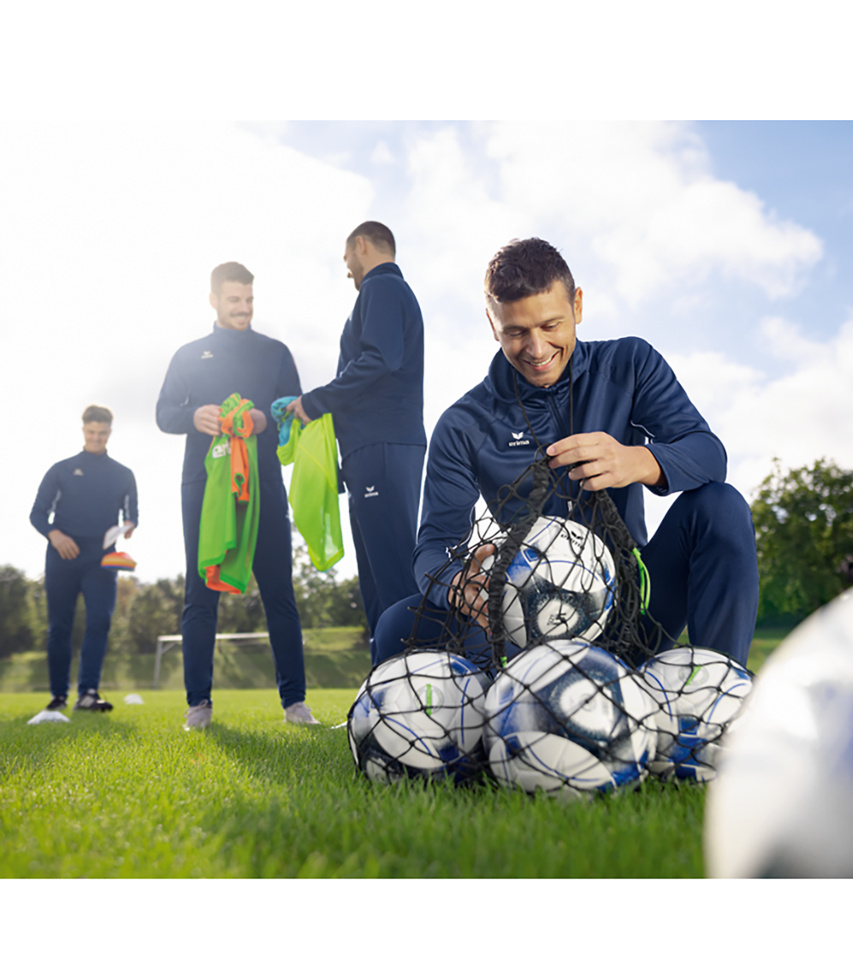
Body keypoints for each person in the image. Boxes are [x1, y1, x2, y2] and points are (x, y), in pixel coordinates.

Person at [373, 237, 759, 668]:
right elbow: (433, 546)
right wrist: (456, 582)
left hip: (633, 611)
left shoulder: (630, 363)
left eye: (550, 325)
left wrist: (636, 461)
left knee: (720, 506)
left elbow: (708, 455)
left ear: (577, 305)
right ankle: (487, 703)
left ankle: (721, 694)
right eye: (516, 332)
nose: (536, 350)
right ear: (491, 323)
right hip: (525, 622)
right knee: (395, 626)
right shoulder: (463, 423)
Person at [156, 262, 319, 729]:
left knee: (279, 592)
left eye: (249, 300)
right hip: (205, 489)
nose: (244, 308)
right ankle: (198, 706)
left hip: (264, 482)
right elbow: (164, 413)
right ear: (213, 300)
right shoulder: (189, 355)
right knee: (201, 592)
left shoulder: (275, 352)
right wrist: (194, 417)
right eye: (234, 300)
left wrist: (268, 420)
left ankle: (295, 704)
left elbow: (294, 410)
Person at [285, 221, 426, 653]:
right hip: (371, 450)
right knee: (376, 583)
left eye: (348, 261)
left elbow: (379, 359)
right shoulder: (383, 293)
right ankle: (382, 693)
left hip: (382, 445)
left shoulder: (381, 288)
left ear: (360, 246)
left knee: (394, 579)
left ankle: (420, 694)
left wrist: (315, 402)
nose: (349, 271)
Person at [29, 405, 138, 712]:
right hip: (62, 556)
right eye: (91, 432)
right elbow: (37, 514)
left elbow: (133, 516)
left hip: (102, 560)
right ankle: (59, 695)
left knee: (100, 621)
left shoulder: (123, 474)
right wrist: (55, 535)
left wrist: (128, 527)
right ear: (83, 431)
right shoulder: (61, 470)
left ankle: (88, 693)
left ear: (110, 433)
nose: (96, 438)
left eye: (102, 433)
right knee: (59, 627)